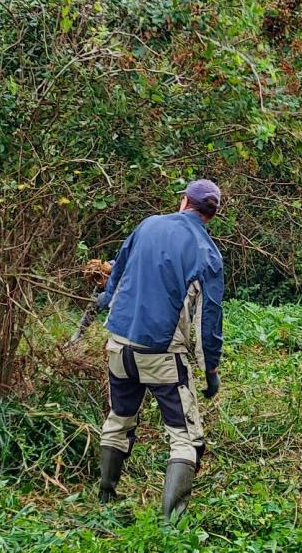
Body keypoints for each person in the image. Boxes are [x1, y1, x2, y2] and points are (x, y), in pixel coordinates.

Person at [94, 179, 225, 522]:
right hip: (164, 355)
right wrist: (211, 369)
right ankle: (172, 521)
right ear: (212, 215)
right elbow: (209, 319)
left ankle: (106, 499)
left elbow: (117, 269)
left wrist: (105, 299)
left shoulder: (148, 224)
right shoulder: (208, 253)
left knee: (119, 419)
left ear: (184, 202)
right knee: (184, 436)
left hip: (118, 345)